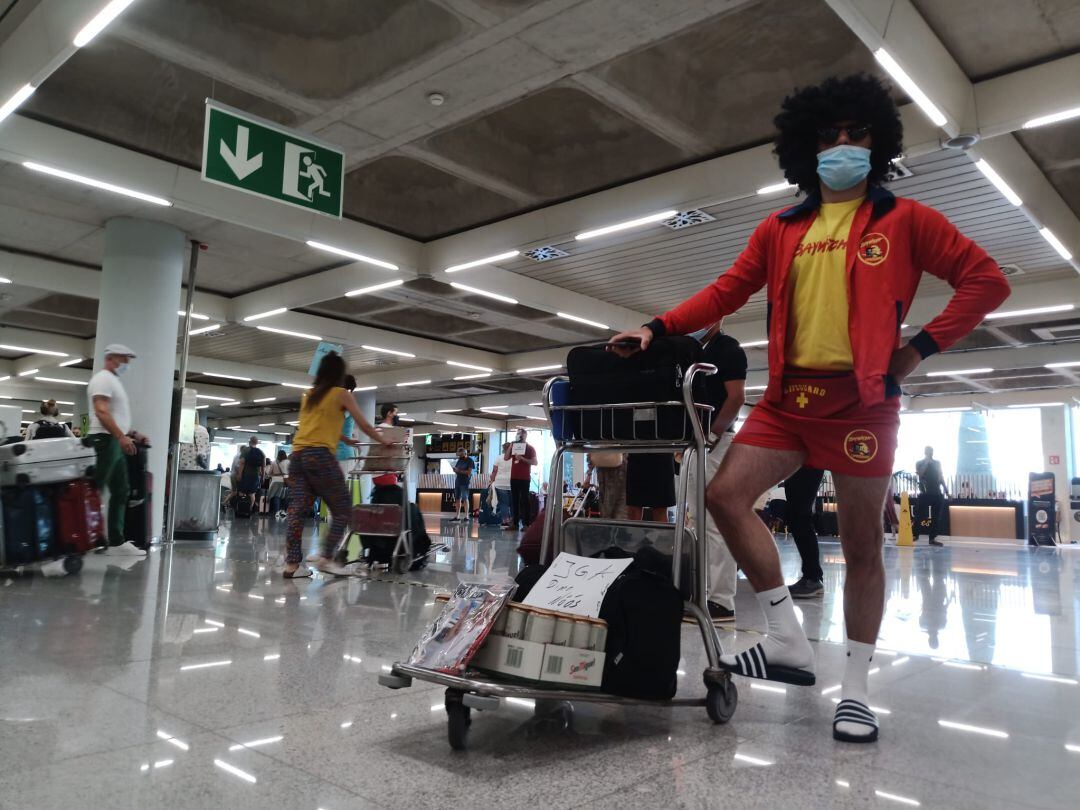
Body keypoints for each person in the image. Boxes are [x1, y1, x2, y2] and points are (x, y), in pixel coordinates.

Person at [609, 74, 1010, 744]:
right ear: (807, 150)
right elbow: (725, 292)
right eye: (830, 138)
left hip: (864, 406)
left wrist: (918, 350)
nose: (843, 147)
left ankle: (854, 691)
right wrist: (656, 327)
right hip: (788, 404)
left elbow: (986, 280)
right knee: (725, 495)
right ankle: (789, 641)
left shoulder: (906, 221)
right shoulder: (781, 229)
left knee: (861, 547)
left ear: (876, 144)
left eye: (856, 136)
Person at [282, 353, 389, 578]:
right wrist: (385, 441)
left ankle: (292, 565)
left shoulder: (309, 395)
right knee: (343, 510)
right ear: (339, 374)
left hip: (298, 457)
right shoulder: (341, 394)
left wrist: (345, 439)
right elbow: (366, 426)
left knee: (297, 511)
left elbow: (314, 426)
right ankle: (326, 557)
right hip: (320, 457)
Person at [684, 320, 747, 623]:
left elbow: (736, 397)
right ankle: (703, 592)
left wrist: (713, 435)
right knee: (697, 521)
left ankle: (722, 600)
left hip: (716, 443)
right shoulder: (692, 351)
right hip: (696, 442)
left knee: (715, 522)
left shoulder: (728, 348)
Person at [87, 344, 145, 555]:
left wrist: (133, 434)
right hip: (104, 440)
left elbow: (116, 415)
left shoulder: (113, 381)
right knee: (94, 490)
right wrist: (120, 437)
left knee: (121, 490)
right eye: (124, 359)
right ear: (112, 358)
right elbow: (101, 412)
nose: (127, 364)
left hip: (113, 440)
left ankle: (116, 540)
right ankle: (83, 540)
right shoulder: (102, 379)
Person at [783, 466, 826, 597]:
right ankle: (812, 576)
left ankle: (813, 578)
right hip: (799, 461)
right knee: (797, 515)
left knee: (799, 515)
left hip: (807, 460)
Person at [504, 428, 537, 531]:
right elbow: (506, 458)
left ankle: (526, 524)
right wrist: (510, 446)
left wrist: (522, 459)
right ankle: (514, 523)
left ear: (525, 435)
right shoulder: (514, 447)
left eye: (521, 434)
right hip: (514, 477)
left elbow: (535, 462)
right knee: (514, 500)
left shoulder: (530, 448)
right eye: (517, 434)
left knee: (525, 500)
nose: (519, 436)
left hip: (524, 478)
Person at [916, 446, 948, 547]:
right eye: (929, 451)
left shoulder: (937, 463)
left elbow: (941, 477)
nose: (931, 453)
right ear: (925, 452)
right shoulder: (919, 463)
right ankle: (915, 535)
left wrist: (947, 491)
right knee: (920, 515)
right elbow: (920, 475)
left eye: (932, 451)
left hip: (937, 493)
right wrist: (926, 462)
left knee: (936, 517)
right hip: (925, 493)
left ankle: (932, 539)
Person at [235, 437, 265, 517]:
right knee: (252, 494)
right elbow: (263, 466)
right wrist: (262, 477)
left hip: (246, 475)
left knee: (242, 492)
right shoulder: (261, 452)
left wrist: (239, 474)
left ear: (249, 442)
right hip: (255, 476)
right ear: (257, 442)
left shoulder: (245, 450)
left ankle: (241, 509)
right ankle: (250, 510)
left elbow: (242, 463)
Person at [490, 442, 514, 527]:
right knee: (512, 504)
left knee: (503, 503)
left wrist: (492, 480)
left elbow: (494, 471)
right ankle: (512, 521)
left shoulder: (498, 458)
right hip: (512, 483)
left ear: (503, 449)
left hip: (500, 483)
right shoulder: (514, 458)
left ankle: (505, 521)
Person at [451, 446, 475, 522]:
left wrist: (459, 471)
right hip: (458, 480)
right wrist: (455, 470)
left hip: (465, 481)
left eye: (461, 454)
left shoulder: (470, 460)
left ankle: (466, 516)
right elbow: (457, 469)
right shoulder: (459, 460)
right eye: (459, 455)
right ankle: (457, 516)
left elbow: (469, 472)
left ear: (465, 453)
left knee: (465, 498)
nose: (460, 456)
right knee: (457, 498)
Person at [268, 449, 290, 517]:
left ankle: (277, 512)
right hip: (285, 481)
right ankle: (283, 511)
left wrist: (274, 475)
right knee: (284, 497)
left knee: (276, 496)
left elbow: (269, 473)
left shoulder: (274, 462)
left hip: (275, 481)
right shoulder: (288, 462)